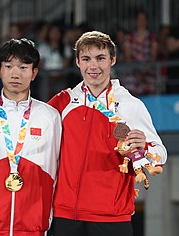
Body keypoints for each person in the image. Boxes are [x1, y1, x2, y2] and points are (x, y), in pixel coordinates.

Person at [48, 31, 167, 236]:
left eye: (100, 58)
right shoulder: (64, 101)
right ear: (77, 62)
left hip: (111, 218)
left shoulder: (130, 105)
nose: (93, 66)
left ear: (112, 60)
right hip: (66, 216)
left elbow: (160, 154)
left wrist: (144, 147)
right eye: (86, 59)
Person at [0, 38, 62, 235]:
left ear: (34, 73)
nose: (15, 74)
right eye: (9, 66)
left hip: (33, 224)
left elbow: (60, 168)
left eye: (23, 67)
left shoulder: (50, 117)